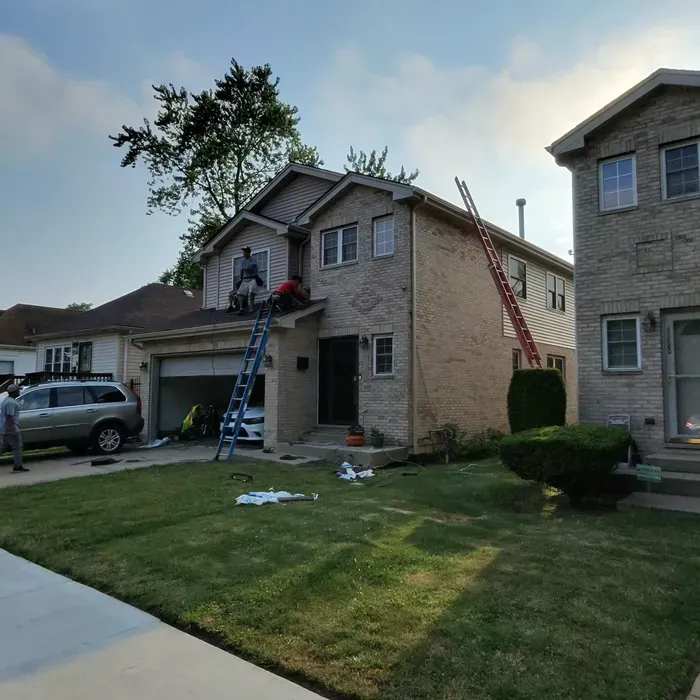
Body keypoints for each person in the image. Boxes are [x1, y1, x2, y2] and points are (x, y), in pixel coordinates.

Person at [0, 384, 29, 473]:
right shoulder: (11, 403)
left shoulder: (7, 400)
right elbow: (10, 417)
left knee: (4, 447)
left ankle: (18, 465)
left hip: (5, 428)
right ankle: (17, 466)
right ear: (14, 392)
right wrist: (12, 430)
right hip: (11, 428)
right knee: (17, 447)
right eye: (18, 390)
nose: (19, 392)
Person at [236, 247, 259, 315]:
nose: (243, 253)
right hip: (245, 279)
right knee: (240, 294)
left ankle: (251, 307)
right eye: (243, 252)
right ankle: (241, 309)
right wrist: (240, 279)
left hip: (252, 278)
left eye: (245, 252)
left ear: (248, 253)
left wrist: (244, 269)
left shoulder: (253, 259)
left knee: (251, 292)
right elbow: (241, 270)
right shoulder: (242, 260)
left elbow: (250, 269)